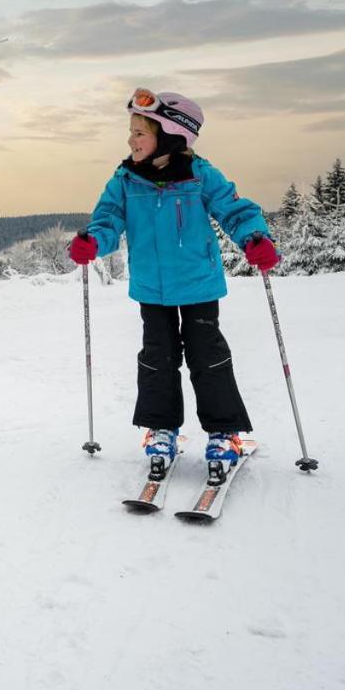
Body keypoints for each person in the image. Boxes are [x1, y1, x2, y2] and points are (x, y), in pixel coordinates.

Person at [68, 89, 279, 483]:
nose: (131, 140)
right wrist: (93, 241)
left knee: (207, 357)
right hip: (152, 288)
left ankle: (223, 432)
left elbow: (236, 210)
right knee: (157, 358)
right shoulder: (125, 179)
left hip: (198, 284)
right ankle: (162, 428)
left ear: (169, 134)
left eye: (139, 133)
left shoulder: (200, 174)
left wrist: (254, 237)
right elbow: (108, 218)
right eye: (130, 132)